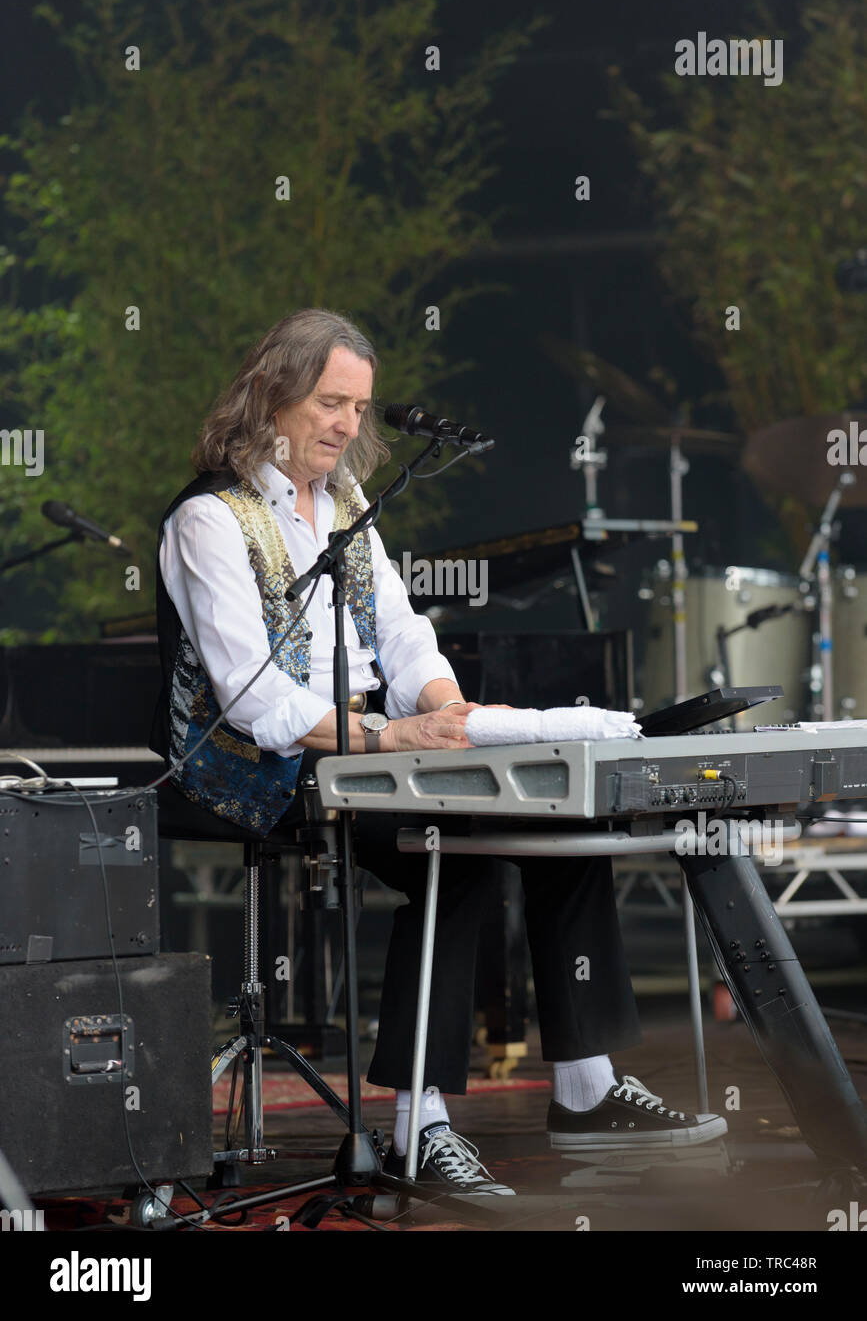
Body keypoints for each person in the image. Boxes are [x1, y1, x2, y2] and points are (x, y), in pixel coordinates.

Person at [152, 308, 727, 1196]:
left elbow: (404, 635)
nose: (348, 425)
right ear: (272, 394)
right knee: (447, 847)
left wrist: (451, 710)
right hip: (247, 763)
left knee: (547, 797)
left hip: (353, 743)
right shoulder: (209, 520)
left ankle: (585, 1088)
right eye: (331, 402)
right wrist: (390, 736)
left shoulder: (347, 506)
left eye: (359, 407)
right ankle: (420, 1127)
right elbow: (253, 698)